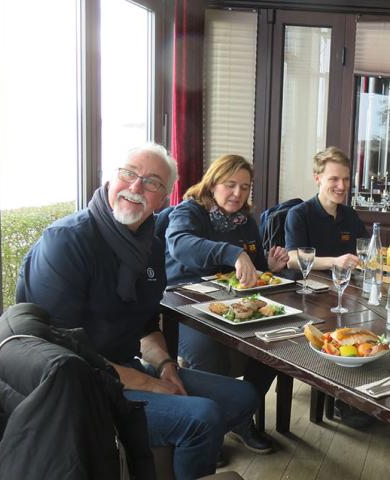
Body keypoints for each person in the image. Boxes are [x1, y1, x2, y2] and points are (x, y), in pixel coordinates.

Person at [16, 143, 260, 480]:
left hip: (126, 368)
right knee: (202, 418)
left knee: (243, 397)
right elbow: (58, 349)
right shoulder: (66, 241)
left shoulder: (150, 247)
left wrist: (165, 366)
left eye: (152, 182)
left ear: (163, 199)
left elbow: (146, 323)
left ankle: (162, 449)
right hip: (79, 389)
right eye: (128, 174)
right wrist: (149, 384)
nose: (135, 187)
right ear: (110, 178)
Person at [165, 154, 289, 454]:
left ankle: (240, 418)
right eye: (230, 185)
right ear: (213, 183)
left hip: (234, 305)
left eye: (245, 187)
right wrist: (232, 253)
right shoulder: (190, 211)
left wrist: (269, 267)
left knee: (273, 345)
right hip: (184, 305)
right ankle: (208, 428)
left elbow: (254, 268)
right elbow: (180, 244)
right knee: (207, 351)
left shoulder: (246, 222)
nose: (237, 193)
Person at [284, 146, 368, 270]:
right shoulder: (298, 214)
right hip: (310, 282)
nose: (342, 186)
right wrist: (334, 262)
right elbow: (293, 260)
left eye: (346, 179)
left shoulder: (351, 215)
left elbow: (368, 249)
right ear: (317, 179)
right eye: (334, 179)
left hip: (347, 281)